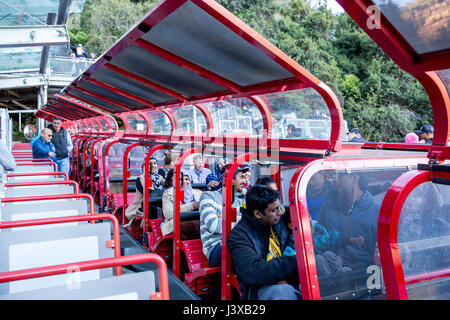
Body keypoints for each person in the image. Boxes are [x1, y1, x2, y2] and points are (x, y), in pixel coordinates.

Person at [227, 185, 301, 300]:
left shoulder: (280, 223)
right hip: (260, 289)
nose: (280, 213)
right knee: (284, 293)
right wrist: (298, 261)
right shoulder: (239, 236)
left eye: (279, 207)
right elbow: (254, 272)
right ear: (258, 214)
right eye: (274, 210)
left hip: (288, 277)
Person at [317, 172, 380, 270]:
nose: (335, 180)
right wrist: (334, 257)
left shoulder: (376, 211)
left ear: (354, 178)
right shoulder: (327, 208)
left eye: (340, 176)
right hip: (333, 273)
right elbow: (319, 240)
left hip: (366, 273)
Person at [282, 207, 362, 277]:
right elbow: (290, 264)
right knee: (319, 259)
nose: (308, 220)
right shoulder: (292, 247)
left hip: (327, 266)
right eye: (302, 218)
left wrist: (349, 240)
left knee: (328, 254)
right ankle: (331, 282)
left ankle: (341, 274)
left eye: (308, 216)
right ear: (292, 226)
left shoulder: (318, 232)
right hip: (313, 277)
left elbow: (332, 237)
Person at [199, 164, 249, 268]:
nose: (245, 181)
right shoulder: (208, 196)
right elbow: (214, 225)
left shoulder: (241, 201)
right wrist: (242, 223)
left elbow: (251, 224)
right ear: (230, 179)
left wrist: (224, 220)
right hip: (216, 248)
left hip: (238, 242)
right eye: (241, 177)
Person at [161, 169, 202, 239]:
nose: (184, 182)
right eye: (180, 179)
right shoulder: (169, 193)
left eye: (187, 179)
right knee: (193, 225)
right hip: (178, 222)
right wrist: (191, 206)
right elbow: (168, 213)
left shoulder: (197, 192)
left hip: (196, 219)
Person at [125, 157, 165, 225]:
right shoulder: (140, 179)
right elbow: (148, 193)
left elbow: (166, 187)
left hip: (158, 201)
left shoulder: (159, 177)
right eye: (150, 164)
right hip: (143, 204)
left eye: (154, 163)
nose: (153, 166)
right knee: (153, 208)